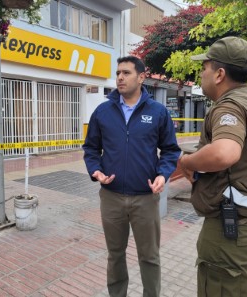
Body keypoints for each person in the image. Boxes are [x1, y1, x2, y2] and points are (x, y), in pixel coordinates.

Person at [179, 37, 247, 296]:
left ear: (219, 74)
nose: (201, 74)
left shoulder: (231, 105)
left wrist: (187, 162)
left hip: (231, 230)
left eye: (204, 68)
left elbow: (225, 152)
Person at [82, 56, 181, 297]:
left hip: (145, 198)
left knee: (149, 256)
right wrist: (96, 171)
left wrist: (163, 174)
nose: (120, 78)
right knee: (115, 254)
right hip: (111, 197)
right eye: (118, 73)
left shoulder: (157, 112)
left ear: (141, 77)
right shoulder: (103, 111)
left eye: (126, 73)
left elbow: (170, 150)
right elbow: (91, 149)